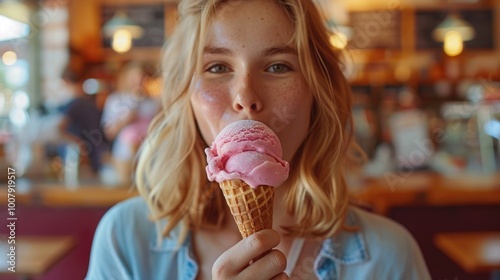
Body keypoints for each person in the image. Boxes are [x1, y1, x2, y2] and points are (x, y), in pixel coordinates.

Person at [86, 0, 431, 279]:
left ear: (317, 91)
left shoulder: (388, 256)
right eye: (217, 67)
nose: (246, 96)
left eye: (278, 66)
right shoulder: (125, 240)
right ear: (184, 94)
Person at [100, 62, 159, 184]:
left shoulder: (154, 102)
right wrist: (124, 121)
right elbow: (108, 133)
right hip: (124, 157)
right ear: (126, 78)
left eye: (141, 77)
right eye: (134, 77)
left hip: (150, 157)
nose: (138, 81)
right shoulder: (116, 100)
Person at [57, 68, 108, 174]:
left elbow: (59, 129)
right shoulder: (90, 102)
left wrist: (78, 143)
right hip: (97, 152)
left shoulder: (74, 104)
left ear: (65, 82)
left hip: (83, 157)